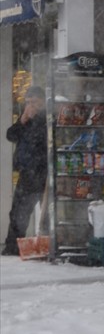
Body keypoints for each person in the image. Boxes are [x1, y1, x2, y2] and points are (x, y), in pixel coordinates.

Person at [3, 86, 47, 256]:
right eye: (28, 102)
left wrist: (35, 118)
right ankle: (12, 248)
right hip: (26, 173)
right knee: (18, 214)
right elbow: (11, 135)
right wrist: (22, 120)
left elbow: (42, 140)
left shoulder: (45, 118)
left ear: (42, 102)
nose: (30, 105)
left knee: (47, 213)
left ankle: (47, 245)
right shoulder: (25, 119)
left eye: (34, 102)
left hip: (42, 173)